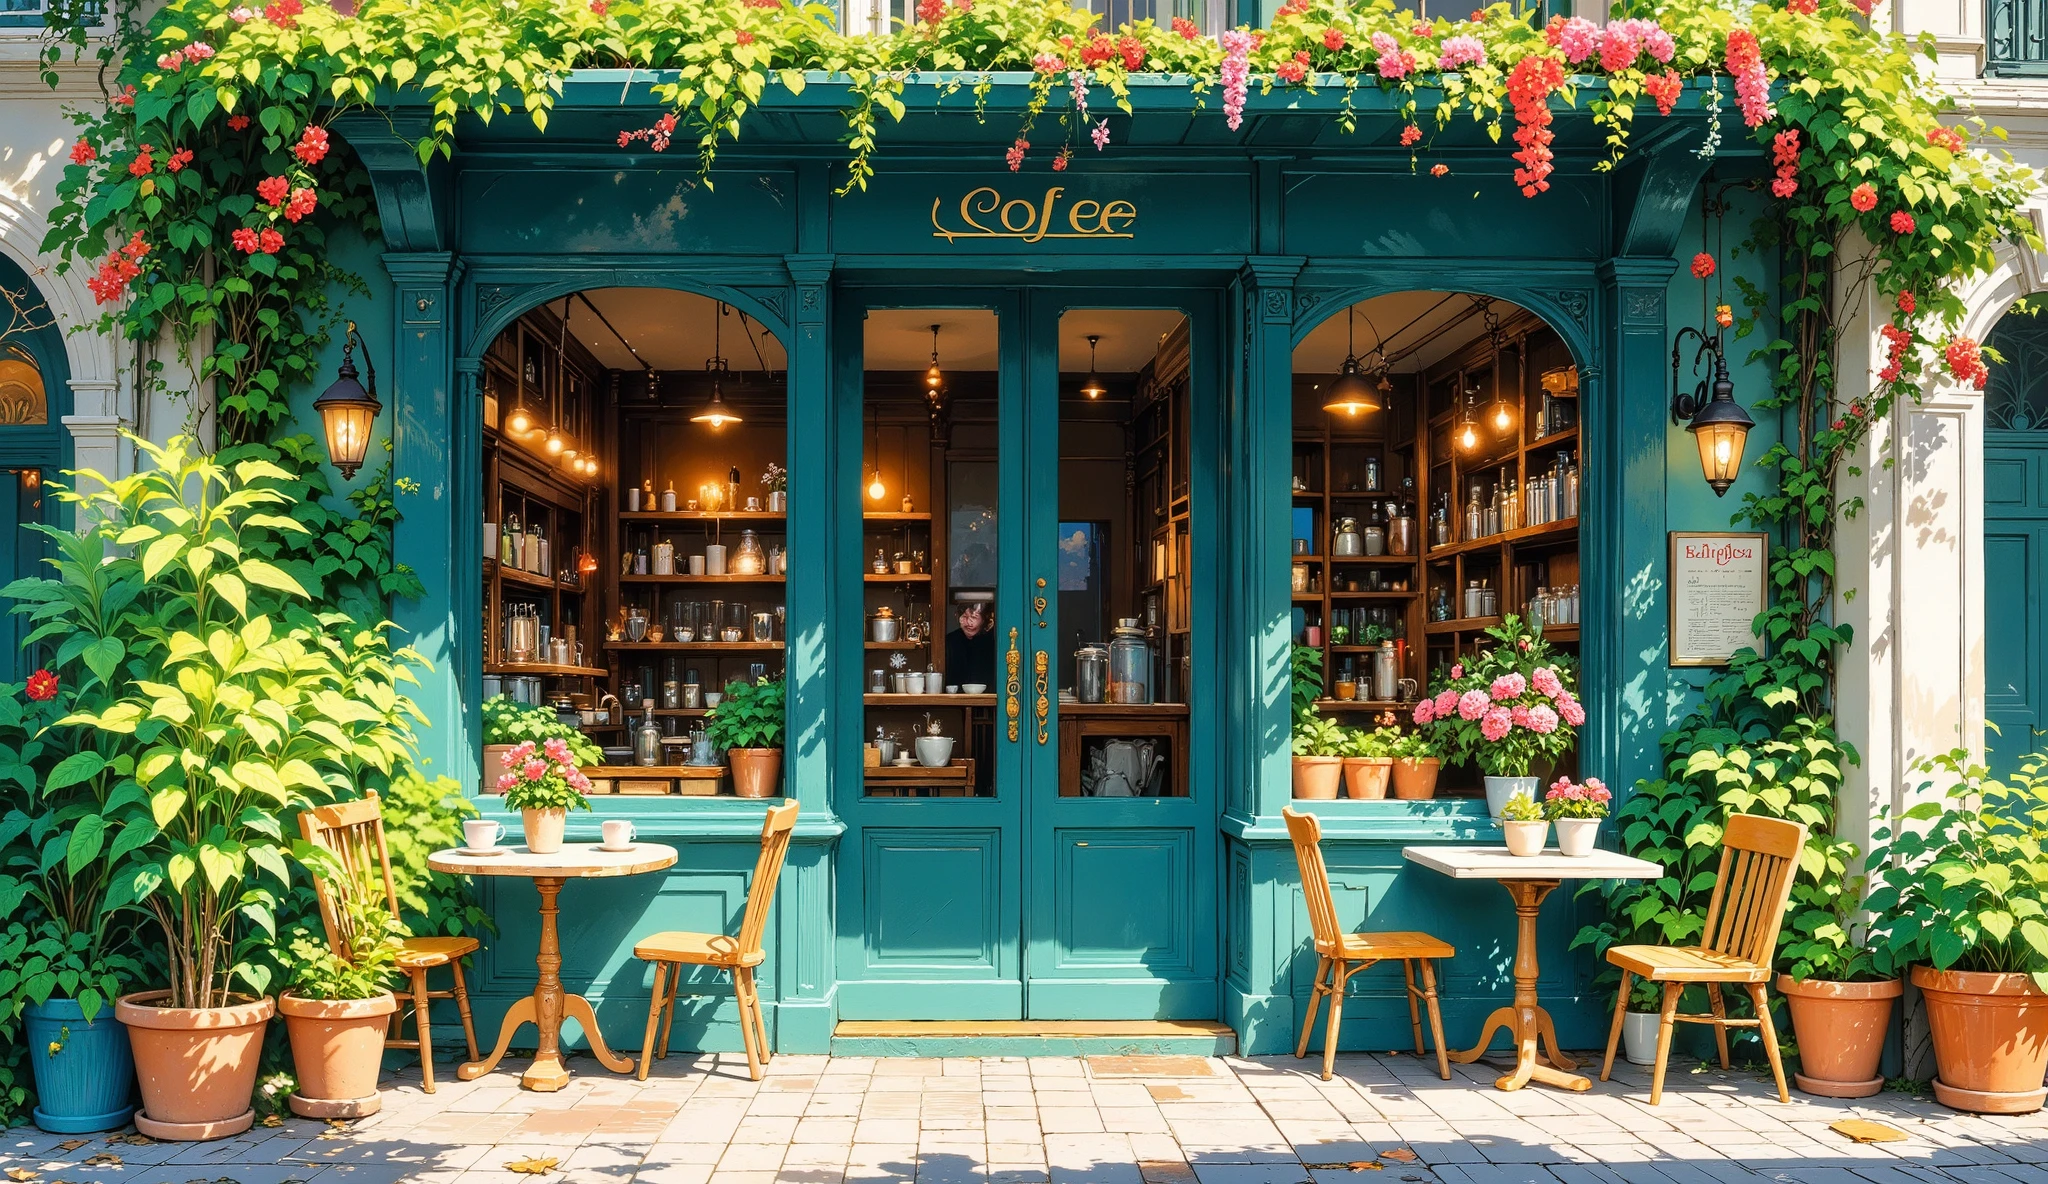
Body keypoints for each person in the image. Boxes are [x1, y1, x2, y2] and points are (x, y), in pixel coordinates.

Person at [945, 599, 996, 688]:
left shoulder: (993, 641)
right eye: (964, 617)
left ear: (984, 619)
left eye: (974, 617)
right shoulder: (950, 641)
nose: (969, 623)